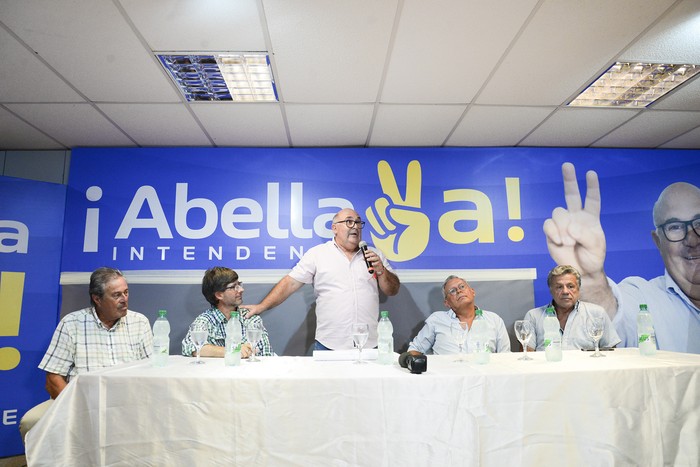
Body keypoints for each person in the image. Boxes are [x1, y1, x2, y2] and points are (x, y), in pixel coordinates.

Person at [544, 162, 700, 353]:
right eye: (674, 227)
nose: (692, 240)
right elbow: (613, 328)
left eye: (699, 223)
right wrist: (591, 282)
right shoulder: (642, 298)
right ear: (658, 242)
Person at [19, 267, 152, 441]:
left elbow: (150, 371)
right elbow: (53, 377)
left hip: (127, 400)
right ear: (97, 299)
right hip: (79, 401)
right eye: (116, 295)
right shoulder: (72, 323)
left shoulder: (140, 322)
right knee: (30, 422)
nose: (124, 300)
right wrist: (74, 407)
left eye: (126, 293)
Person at [245, 208, 400, 351]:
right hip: (329, 345)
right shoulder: (318, 254)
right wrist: (261, 306)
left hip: (369, 344)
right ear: (334, 228)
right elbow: (290, 283)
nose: (356, 226)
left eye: (358, 222)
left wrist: (381, 271)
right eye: (349, 221)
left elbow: (392, 290)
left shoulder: (374, 254)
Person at [182, 267, 273, 358]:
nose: (241, 290)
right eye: (234, 287)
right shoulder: (205, 320)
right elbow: (189, 347)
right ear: (219, 295)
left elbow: (266, 353)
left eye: (240, 284)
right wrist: (233, 350)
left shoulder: (250, 317)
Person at [524, 265, 620, 351]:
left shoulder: (597, 313)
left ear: (578, 289)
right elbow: (526, 355)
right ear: (551, 290)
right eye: (559, 287)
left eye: (570, 286)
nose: (565, 291)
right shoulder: (533, 316)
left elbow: (610, 350)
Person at [407, 275, 510, 355]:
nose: (459, 291)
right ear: (447, 303)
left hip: (486, 379)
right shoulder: (436, 320)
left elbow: (506, 357)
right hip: (447, 379)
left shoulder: (494, 320)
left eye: (462, 286)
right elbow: (414, 350)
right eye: (452, 291)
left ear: (472, 292)